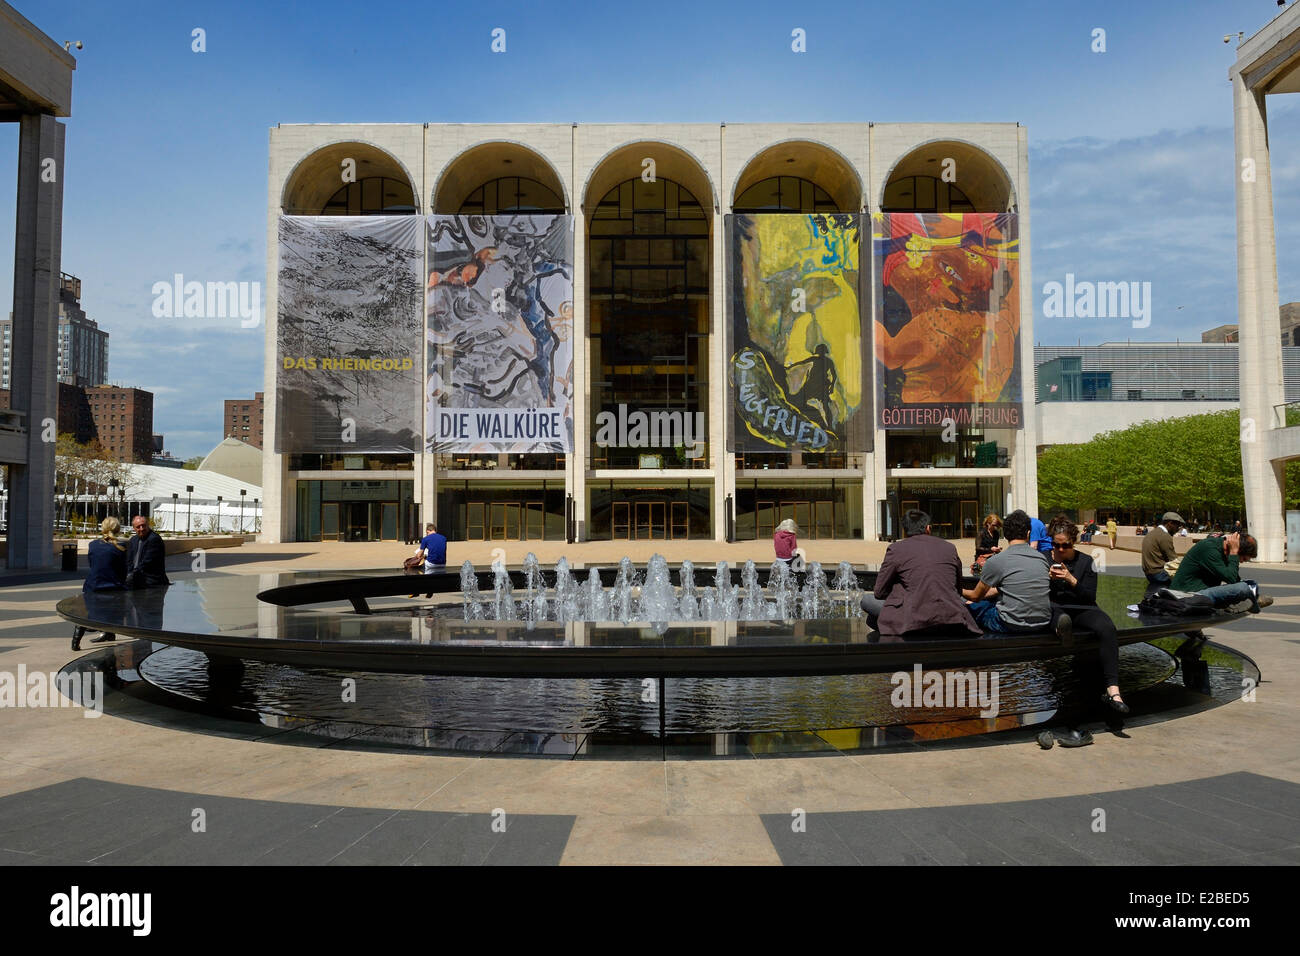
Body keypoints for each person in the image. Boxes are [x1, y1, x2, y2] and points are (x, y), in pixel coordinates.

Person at [1045, 515, 1127, 714]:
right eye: (1056, 545)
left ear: (1073, 542)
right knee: (1056, 615)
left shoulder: (1087, 561)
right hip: (1056, 607)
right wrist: (1045, 579)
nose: (1060, 550)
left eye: (1065, 546)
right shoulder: (1044, 559)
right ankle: (1062, 632)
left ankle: (1113, 689)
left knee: (1107, 626)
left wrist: (1071, 580)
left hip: (1082, 608)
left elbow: (1090, 596)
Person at [860, 509, 981, 637]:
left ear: (905, 531)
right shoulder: (949, 547)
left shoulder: (896, 549)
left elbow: (879, 592)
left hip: (915, 619)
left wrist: (899, 589)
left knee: (866, 601)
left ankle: (894, 631)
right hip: (951, 616)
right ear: (928, 528)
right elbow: (957, 590)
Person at [962, 509, 1067, 636]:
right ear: (1028, 533)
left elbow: (975, 596)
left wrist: (957, 590)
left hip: (1010, 624)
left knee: (973, 607)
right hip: (1042, 622)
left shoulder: (997, 561)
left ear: (1005, 535)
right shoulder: (1042, 559)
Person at [1170, 532, 1270, 612]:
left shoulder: (1221, 550)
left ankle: (1247, 601)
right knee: (1243, 588)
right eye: (1243, 558)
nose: (1241, 562)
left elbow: (1234, 579)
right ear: (1237, 549)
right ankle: (1250, 602)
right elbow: (1230, 578)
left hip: (1200, 592)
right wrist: (1233, 553)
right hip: (1186, 596)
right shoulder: (1209, 548)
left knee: (1249, 585)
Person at [73, 517, 127, 651]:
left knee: (88, 613)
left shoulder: (93, 545)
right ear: (118, 530)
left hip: (93, 585)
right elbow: (123, 569)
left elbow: (93, 565)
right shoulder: (122, 547)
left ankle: (76, 641)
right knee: (110, 613)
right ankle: (108, 632)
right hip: (113, 587)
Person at [1140, 511, 1184, 586]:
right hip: (1159, 574)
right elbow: (1173, 560)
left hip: (1149, 573)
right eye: (1178, 526)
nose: (1178, 529)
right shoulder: (1165, 536)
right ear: (1170, 523)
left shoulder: (1151, 533)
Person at [126, 515, 169, 589]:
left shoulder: (154, 539)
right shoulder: (133, 540)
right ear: (134, 528)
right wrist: (129, 574)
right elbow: (129, 561)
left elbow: (147, 562)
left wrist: (132, 575)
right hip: (136, 579)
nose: (141, 529)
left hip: (152, 581)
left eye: (143, 526)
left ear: (148, 525)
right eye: (138, 527)